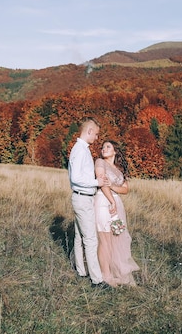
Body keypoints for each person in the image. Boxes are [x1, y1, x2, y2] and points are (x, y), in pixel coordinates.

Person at [68, 117, 111, 289]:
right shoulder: (79, 150)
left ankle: (81, 271)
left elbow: (80, 176)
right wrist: (96, 183)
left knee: (80, 237)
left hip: (82, 197)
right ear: (89, 131)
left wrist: (95, 179)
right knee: (91, 239)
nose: (97, 138)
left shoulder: (81, 149)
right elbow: (75, 178)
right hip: (82, 198)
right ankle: (97, 280)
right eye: (96, 134)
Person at [94, 140, 139, 287]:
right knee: (104, 239)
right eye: (103, 147)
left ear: (115, 151)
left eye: (108, 147)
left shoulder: (118, 169)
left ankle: (113, 272)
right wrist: (111, 200)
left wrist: (113, 186)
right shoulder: (100, 162)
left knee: (116, 237)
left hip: (116, 204)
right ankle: (105, 276)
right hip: (103, 202)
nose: (104, 149)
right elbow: (102, 184)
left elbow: (126, 189)